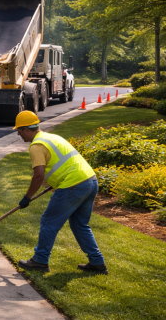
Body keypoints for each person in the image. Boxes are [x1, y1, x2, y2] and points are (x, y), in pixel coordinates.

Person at [13, 111, 107, 275]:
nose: (19, 134)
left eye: (19, 131)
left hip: (73, 185)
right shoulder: (52, 138)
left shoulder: (36, 146)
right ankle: (97, 263)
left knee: (49, 221)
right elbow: (63, 163)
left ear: (26, 129)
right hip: (90, 181)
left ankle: (40, 260)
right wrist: (56, 182)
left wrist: (26, 198)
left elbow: (38, 176)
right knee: (79, 224)